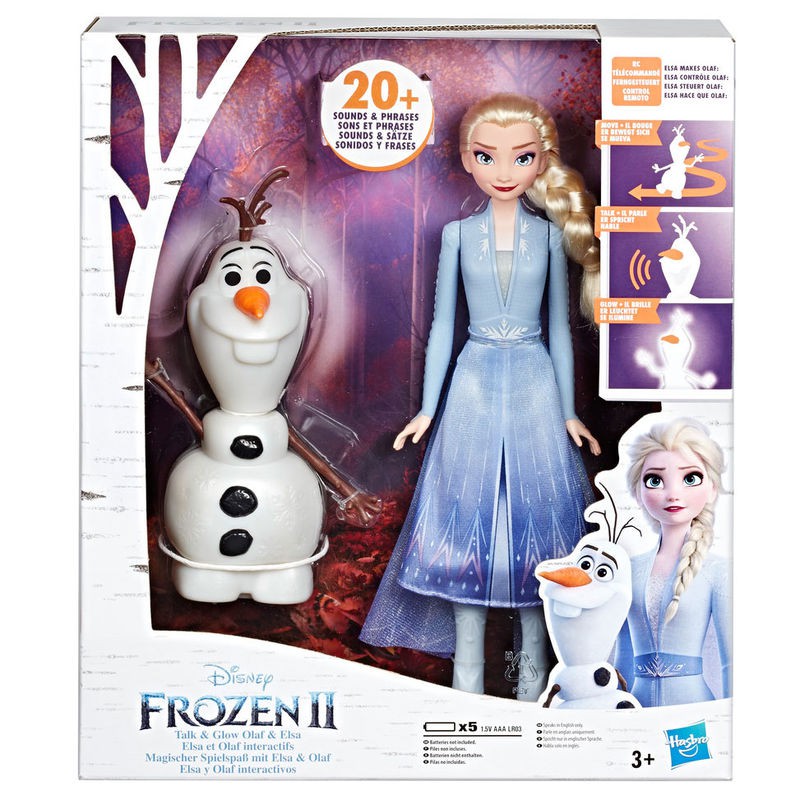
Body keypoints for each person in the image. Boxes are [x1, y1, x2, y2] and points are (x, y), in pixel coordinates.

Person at [360, 93, 600, 698]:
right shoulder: (458, 235)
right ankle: (465, 693)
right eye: (487, 156)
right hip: (471, 383)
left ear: (541, 160)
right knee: (466, 517)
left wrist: (569, 411)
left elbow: (558, 328)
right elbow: (443, 323)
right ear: (468, 159)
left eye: (521, 157)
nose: (504, 171)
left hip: (534, 386)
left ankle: (532, 694)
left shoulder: (548, 237)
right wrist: (427, 407)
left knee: (538, 529)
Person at [616, 417, 730, 706]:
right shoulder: (628, 569)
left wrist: (731, 721)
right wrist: (614, 712)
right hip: (635, 711)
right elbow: (623, 655)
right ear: (638, 492)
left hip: (693, 713)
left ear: (712, 488)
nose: (673, 494)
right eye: (655, 480)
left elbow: (731, 662)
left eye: (690, 478)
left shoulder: (718, 572)